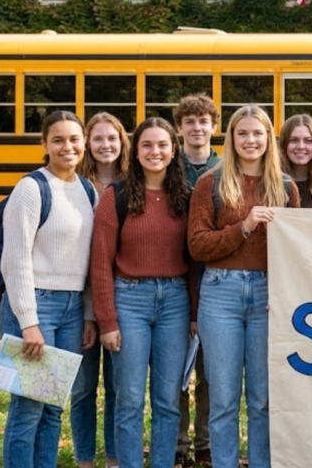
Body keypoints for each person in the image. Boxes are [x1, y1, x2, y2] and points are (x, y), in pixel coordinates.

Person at [188, 105, 300, 468]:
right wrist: (245, 226)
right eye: (243, 134)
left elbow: (299, 249)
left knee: (263, 398)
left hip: (269, 296)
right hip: (221, 294)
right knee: (222, 398)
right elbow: (198, 245)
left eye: (258, 133)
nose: (250, 140)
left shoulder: (284, 186)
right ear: (231, 139)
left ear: (269, 139)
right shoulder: (211, 183)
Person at [90, 118, 191, 468]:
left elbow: (194, 262)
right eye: (147, 145)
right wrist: (107, 320)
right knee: (129, 398)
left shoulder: (186, 198)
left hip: (175, 303)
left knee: (167, 399)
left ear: (173, 150)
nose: (155, 152)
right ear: (136, 151)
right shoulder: (115, 196)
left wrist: (193, 315)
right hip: (129, 301)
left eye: (162, 145)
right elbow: (101, 263)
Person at [0, 110, 98, 468]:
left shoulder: (87, 190)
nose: (67, 146)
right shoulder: (30, 188)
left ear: (84, 143)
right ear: (44, 144)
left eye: (74, 139)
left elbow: (88, 261)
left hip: (72, 310)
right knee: (28, 406)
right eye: (58, 139)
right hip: (34, 306)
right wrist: (29, 322)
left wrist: (88, 314)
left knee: (54, 406)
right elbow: (15, 261)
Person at [73, 112, 130, 468]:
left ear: (122, 142)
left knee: (117, 388)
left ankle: (112, 456)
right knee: (81, 388)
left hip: (119, 299)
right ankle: (84, 458)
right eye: (98, 139)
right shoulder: (77, 185)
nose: (106, 145)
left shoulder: (131, 184)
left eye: (112, 138)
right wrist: (87, 313)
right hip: (79, 301)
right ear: (87, 145)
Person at [172, 94, 220, 468]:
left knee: (209, 373)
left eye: (203, 121)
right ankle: (177, 443)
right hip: (174, 273)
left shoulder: (224, 167)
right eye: (189, 121)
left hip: (213, 277)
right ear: (180, 128)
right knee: (176, 374)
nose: (197, 127)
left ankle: (204, 445)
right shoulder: (168, 166)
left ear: (213, 127)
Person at [279, 114, 312, 209]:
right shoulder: (270, 183)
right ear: (284, 144)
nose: (301, 146)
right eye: (294, 140)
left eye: (308, 141)